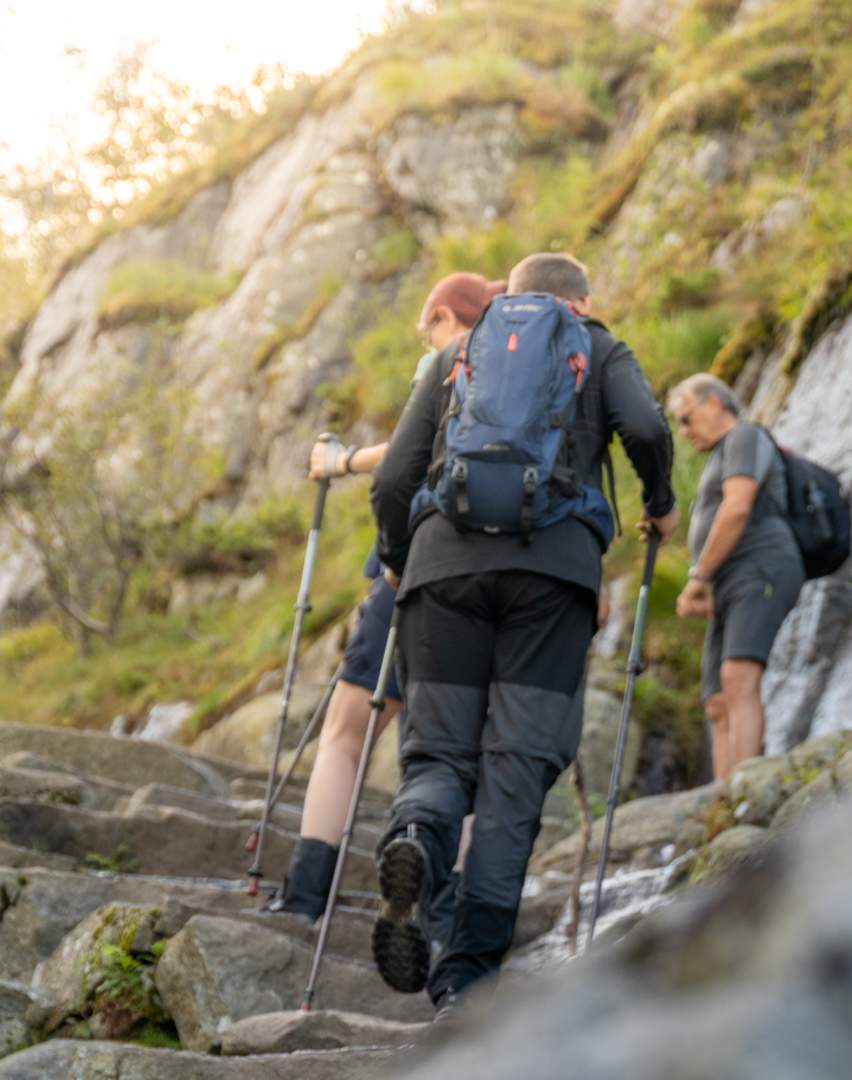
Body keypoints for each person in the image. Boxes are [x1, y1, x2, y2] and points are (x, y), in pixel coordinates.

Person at [369, 252, 678, 1017]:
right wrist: (661, 501)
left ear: (508, 297)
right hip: (553, 575)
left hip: (444, 570)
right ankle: (464, 982)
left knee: (440, 756)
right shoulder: (598, 345)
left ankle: (417, 835)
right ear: (583, 299)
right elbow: (643, 425)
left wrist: (405, 562)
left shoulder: (454, 354)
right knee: (513, 775)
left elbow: (392, 478)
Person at [264, 271, 503, 924]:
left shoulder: (447, 362)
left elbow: (405, 457)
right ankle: (450, 914)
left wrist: (341, 466)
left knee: (348, 731)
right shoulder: (525, 380)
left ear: (445, 317)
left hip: (414, 571)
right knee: (463, 751)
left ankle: (308, 895)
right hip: (497, 584)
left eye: (425, 324)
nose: (422, 339)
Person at [667, 373, 803, 782]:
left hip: (759, 565)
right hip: (727, 579)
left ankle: (745, 792)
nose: (684, 431)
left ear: (714, 403)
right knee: (717, 700)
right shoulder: (721, 454)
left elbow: (738, 507)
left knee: (738, 677)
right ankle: (722, 797)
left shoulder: (744, 437)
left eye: (687, 418)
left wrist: (700, 575)